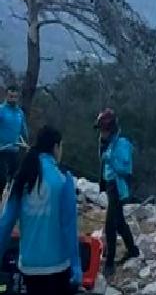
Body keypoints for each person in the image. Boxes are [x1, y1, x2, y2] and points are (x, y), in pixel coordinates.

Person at [0, 125, 81, 295]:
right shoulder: (63, 178)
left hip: (29, 265)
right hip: (57, 265)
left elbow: (6, 222)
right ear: (56, 147)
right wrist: (76, 264)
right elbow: (69, 225)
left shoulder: (22, 176)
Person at [96, 108, 139, 276]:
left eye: (104, 130)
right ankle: (132, 249)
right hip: (109, 184)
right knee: (119, 221)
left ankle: (109, 263)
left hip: (118, 187)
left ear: (111, 129)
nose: (101, 133)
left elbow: (126, 169)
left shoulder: (122, 144)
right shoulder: (106, 143)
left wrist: (110, 159)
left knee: (110, 224)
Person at [0, 84, 28, 196]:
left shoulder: (20, 113)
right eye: (10, 96)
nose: (13, 99)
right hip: (1, 151)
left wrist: (26, 143)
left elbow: (24, 130)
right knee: (1, 179)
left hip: (15, 151)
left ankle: (9, 204)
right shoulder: (1, 110)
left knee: (15, 180)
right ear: (6, 96)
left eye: (15, 97)